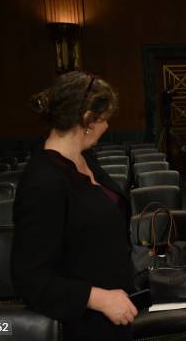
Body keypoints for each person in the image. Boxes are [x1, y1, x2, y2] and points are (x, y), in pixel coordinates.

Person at [12, 72, 138, 341]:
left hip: (113, 312)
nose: (107, 126)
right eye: (105, 118)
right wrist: (99, 298)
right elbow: (30, 278)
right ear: (87, 120)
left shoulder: (85, 158)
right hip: (81, 324)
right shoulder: (43, 181)